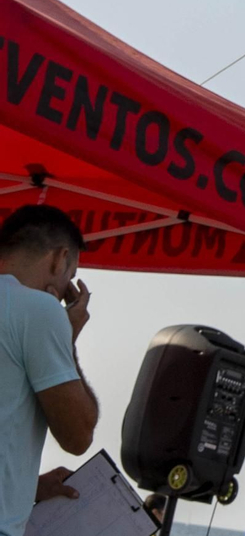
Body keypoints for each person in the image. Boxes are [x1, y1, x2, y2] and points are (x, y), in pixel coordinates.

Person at [0, 205, 100, 536]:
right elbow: (77, 436)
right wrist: (67, 341)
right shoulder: (37, 309)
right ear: (59, 258)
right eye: (68, 278)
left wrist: (26, 488)